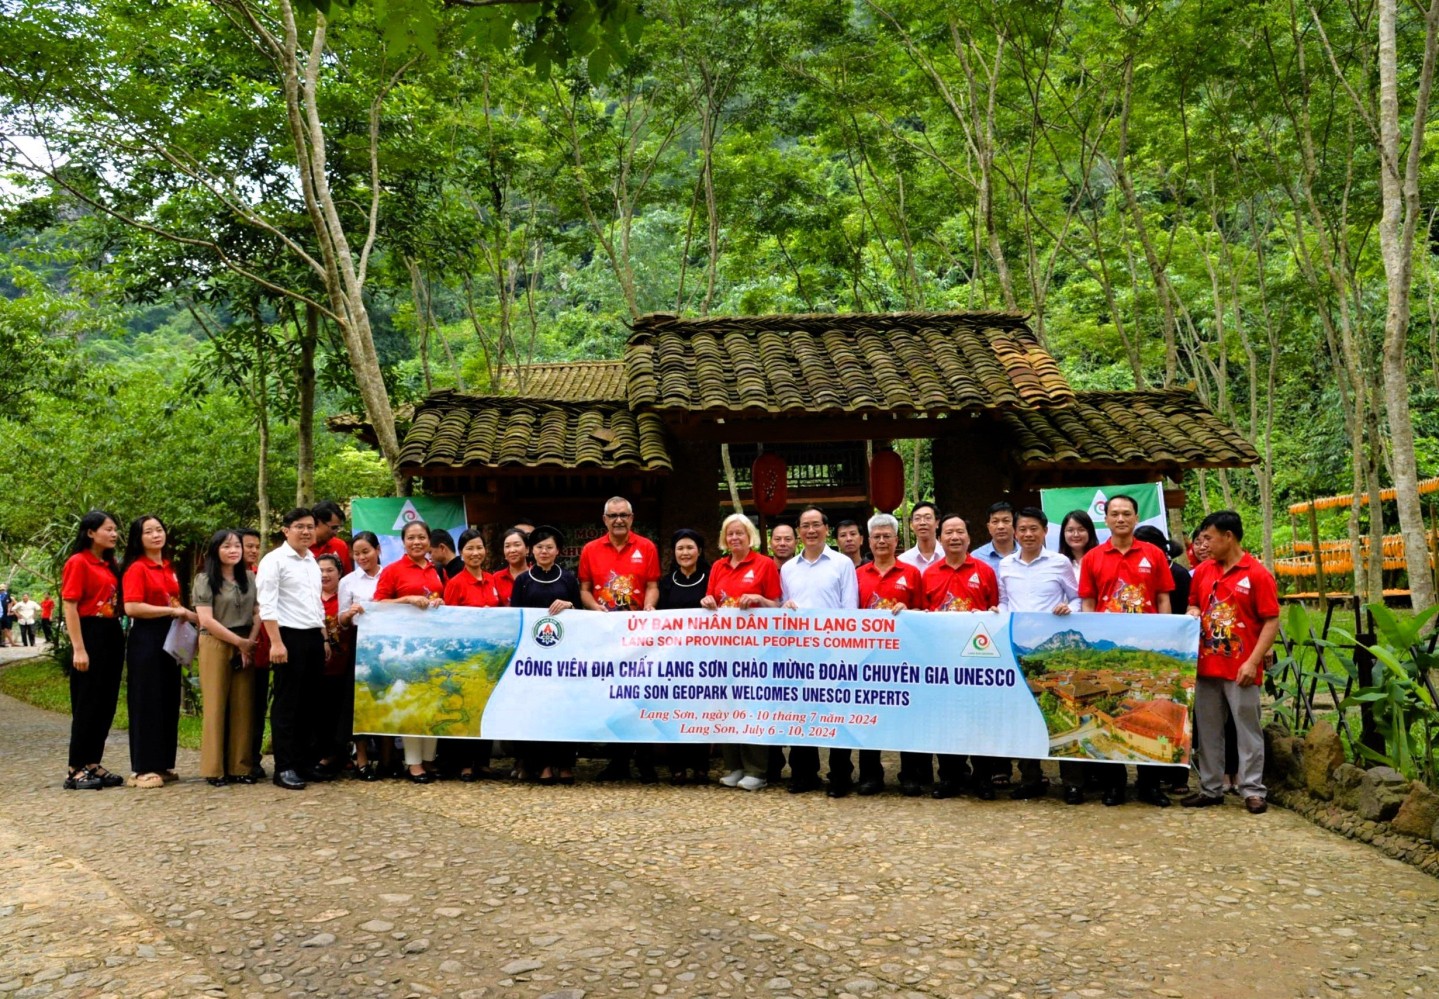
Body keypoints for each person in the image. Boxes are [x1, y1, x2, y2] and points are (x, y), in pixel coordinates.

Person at [1076, 493, 1176, 808]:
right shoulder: (1093, 557)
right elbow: (1088, 604)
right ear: (1105, 519)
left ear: (1136, 518)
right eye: (1115, 514)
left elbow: (1163, 599)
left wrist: (1167, 635)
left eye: (1127, 513)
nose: (1120, 519)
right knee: (1113, 715)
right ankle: (1114, 785)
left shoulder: (1154, 555)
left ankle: (1150, 785)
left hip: (1148, 650)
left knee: (1151, 713)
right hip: (1111, 651)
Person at [1183, 510, 1279, 815]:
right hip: (1205, 665)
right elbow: (1194, 602)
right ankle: (1211, 788)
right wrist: (1193, 611)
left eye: (1209, 537)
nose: (1204, 543)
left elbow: (1271, 620)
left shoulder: (1257, 574)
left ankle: (1252, 789)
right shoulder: (1202, 572)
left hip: (1242, 669)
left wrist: (1253, 662)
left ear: (1229, 537)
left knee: (1247, 728)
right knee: (1209, 730)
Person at [918, 514, 1002, 800]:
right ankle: (950, 776)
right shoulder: (928, 574)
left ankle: (983, 777)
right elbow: (919, 615)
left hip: (977, 660)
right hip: (941, 660)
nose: (954, 537)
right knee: (945, 718)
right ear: (940, 538)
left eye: (960, 532)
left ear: (969, 537)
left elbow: (996, 611)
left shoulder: (985, 570)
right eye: (949, 533)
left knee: (979, 718)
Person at [997, 507, 1079, 800]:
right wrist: (1000, 614)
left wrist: (1071, 609)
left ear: (1045, 531)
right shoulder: (1006, 565)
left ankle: (1071, 781)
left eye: (1034, 529)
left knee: (1062, 710)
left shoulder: (1060, 563)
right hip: (1019, 649)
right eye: (1023, 530)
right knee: (1024, 714)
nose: (1028, 535)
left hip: (1055, 649)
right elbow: (1004, 600)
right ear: (1015, 533)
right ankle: (1030, 777)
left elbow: (1077, 596)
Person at [579, 496, 661, 782]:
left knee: (641, 695)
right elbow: (585, 590)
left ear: (632, 517)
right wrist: (595, 608)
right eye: (613, 516)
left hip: (639, 634)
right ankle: (618, 761)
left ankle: (646, 761)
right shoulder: (590, 550)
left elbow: (652, 585)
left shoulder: (647, 547)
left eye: (623, 515)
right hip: (607, 634)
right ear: (604, 520)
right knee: (613, 696)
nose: (618, 520)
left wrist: (650, 607)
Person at [780, 506, 859, 794]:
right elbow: (784, 607)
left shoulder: (842, 564)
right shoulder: (788, 568)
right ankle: (804, 773)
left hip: (834, 650)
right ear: (799, 531)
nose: (811, 531)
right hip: (799, 652)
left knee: (838, 713)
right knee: (801, 713)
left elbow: (850, 609)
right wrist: (784, 607)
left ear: (827, 529)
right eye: (805, 526)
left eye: (816, 525)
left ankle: (840, 774)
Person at [703, 513, 782, 792]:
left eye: (740, 533)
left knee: (751, 707)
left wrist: (760, 600)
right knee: (726, 705)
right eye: (730, 533)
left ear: (751, 536)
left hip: (755, 651)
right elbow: (711, 599)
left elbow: (777, 605)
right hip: (724, 650)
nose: (735, 538)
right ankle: (733, 765)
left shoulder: (764, 564)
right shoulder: (718, 566)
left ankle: (756, 769)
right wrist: (707, 599)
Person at [846, 512, 923, 796]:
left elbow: (926, 615)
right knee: (868, 717)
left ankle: (910, 775)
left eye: (886, 536)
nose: (881, 541)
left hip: (903, 658)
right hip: (866, 659)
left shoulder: (911, 573)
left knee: (906, 716)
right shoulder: (856, 576)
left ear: (896, 540)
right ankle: (870, 775)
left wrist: (910, 612)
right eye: (876, 536)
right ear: (869, 541)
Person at [122, 514, 198, 789]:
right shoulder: (136, 568)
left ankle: (163, 763)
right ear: (138, 538)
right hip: (146, 636)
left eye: (159, 530)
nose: (156, 535)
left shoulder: (167, 566)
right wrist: (171, 611)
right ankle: (142, 768)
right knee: (146, 700)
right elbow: (132, 607)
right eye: (148, 532)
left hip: (171, 634)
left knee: (167, 699)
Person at [256, 508, 327, 791]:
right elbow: (267, 604)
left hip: (312, 636)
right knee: (288, 704)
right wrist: (275, 642)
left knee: (310, 704)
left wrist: (323, 637)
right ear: (286, 530)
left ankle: (304, 763)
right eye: (300, 526)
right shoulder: (274, 560)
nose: (306, 532)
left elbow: (315, 603)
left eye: (310, 527)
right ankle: (284, 767)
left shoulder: (311, 560)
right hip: (287, 636)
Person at [372, 519, 446, 783]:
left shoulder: (436, 570)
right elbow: (377, 606)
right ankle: (413, 764)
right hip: (405, 648)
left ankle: (429, 760)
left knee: (433, 702)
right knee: (414, 703)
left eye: (421, 537)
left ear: (429, 541)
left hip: (433, 646)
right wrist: (405, 600)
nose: (417, 542)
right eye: (411, 538)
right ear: (403, 542)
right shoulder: (393, 571)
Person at [509, 526, 581, 785]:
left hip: (563, 659)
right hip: (533, 660)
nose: (544, 551)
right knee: (537, 710)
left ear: (558, 550)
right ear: (532, 551)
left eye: (549, 547)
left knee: (562, 709)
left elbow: (583, 615)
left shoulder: (569, 579)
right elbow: (515, 618)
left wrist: (570, 605)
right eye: (539, 547)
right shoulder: (523, 581)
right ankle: (541, 765)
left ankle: (564, 763)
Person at [61, 510, 126, 790]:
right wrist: (79, 649)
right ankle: (75, 768)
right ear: (90, 532)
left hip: (112, 631)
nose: (113, 534)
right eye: (108, 529)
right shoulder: (78, 562)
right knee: (87, 702)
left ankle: (92, 763)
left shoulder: (110, 564)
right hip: (89, 632)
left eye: (115, 530)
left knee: (106, 702)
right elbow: (70, 606)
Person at [193, 529, 260, 787]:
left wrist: (248, 643)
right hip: (216, 642)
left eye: (236, 546)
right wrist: (238, 643)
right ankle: (214, 769)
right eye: (226, 546)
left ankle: (239, 767)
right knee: (216, 704)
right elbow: (206, 619)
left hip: (245, 641)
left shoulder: (250, 578)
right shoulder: (204, 579)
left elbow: (257, 612)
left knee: (243, 705)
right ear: (215, 551)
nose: (233, 551)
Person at [655, 528, 712, 785]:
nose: (685, 553)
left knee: (701, 710)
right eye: (680, 548)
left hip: (705, 658)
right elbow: (657, 616)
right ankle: (677, 767)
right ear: (674, 553)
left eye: (690, 548)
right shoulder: (666, 583)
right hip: (673, 658)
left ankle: (701, 766)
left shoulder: (711, 578)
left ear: (699, 551)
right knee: (674, 710)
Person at [336, 531, 383, 780]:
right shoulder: (348, 581)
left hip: (387, 644)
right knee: (359, 700)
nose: (362, 557)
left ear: (378, 550)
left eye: (366, 551)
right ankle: (362, 757)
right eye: (357, 553)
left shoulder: (390, 575)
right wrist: (350, 612)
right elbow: (342, 621)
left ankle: (388, 757)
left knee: (385, 695)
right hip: (360, 642)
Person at [239, 527, 271, 780]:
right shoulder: (223, 577)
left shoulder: (261, 575)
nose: (252, 550)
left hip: (260, 650)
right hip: (232, 649)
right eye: (247, 545)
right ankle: (233, 758)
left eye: (255, 546)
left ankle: (253, 757)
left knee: (257, 706)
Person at [314, 554, 349, 778]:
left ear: (339, 573)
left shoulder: (345, 598)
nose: (325, 575)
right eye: (320, 571)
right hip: (317, 667)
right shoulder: (312, 598)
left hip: (344, 665)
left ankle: (340, 755)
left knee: (340, 714)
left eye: (330, 570)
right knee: (320, 713)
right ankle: (321, 756)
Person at [971, 501, 1018, 570]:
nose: (1000, 526)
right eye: (995, 522)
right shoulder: (976, 557)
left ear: (1015, 525)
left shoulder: (1027, 553)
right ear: (989, 527)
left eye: (1006, 521)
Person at [310, 500, 353, 573]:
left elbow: (347, 580)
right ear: (317, 522)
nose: (335, 533)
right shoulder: (298, 549)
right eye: (333, 528)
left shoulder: (340, 546)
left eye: (338, 528)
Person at [899, 502, 943, 572]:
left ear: (937, 523)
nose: (922, 522)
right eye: (917, 518)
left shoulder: (948, 556)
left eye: (928, 518)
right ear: (911, 525)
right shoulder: (903, 560)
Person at [493, 527, 531, 606]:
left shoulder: (537, 575)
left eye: (517, 545)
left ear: (527, 549)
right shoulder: (496, 578)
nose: (512, 550)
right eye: (507, 546)